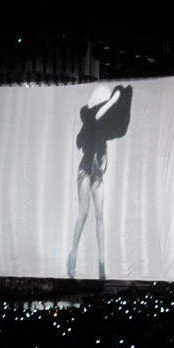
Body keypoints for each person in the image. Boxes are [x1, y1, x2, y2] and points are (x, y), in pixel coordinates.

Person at [67, 83, 133, 280]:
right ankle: (73, 253)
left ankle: (101, 263)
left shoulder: (101, 127)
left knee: (99, 216)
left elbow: (106, 121)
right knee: (84, 213)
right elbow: (96, 116)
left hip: (96, 171)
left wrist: (114, 100)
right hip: (86, 169)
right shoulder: (90, 119)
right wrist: (113, 100)